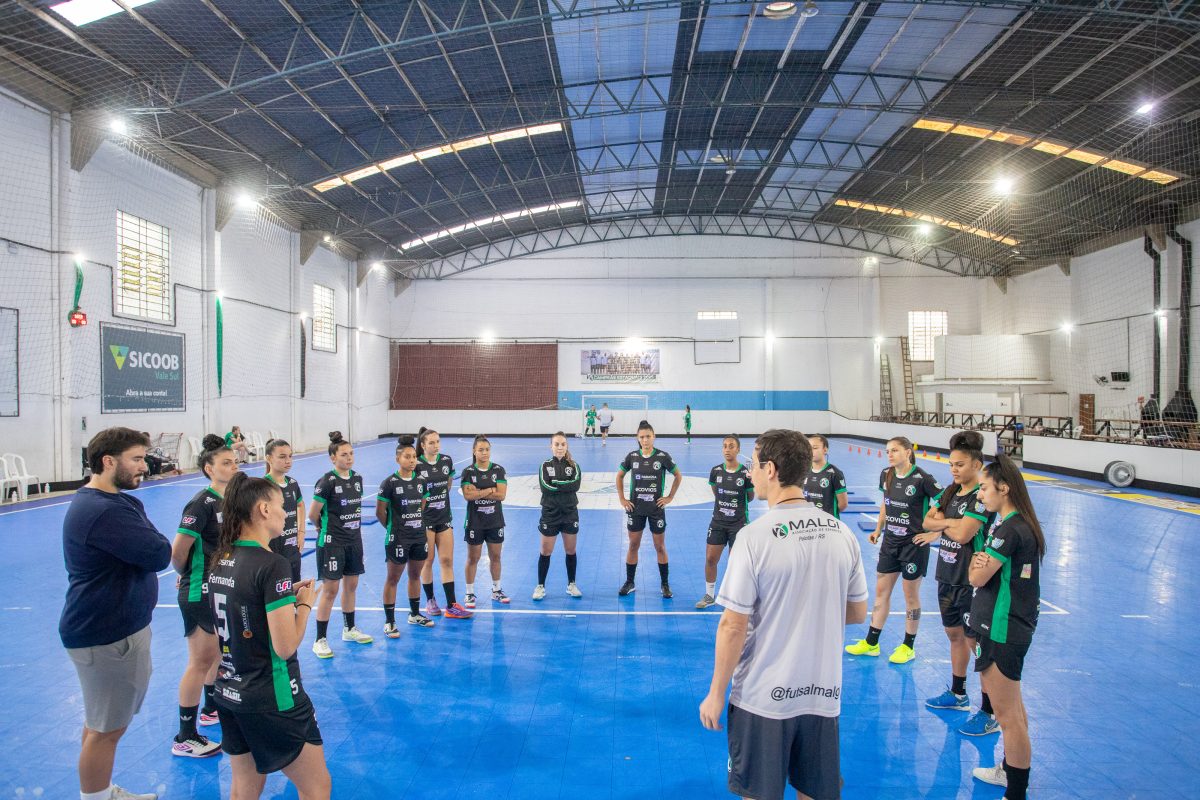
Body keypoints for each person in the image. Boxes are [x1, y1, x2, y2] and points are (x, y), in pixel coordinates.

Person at [699, 429, 868, 800]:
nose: (750, 474)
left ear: (771, 469)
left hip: (763, 698)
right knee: (813, 791)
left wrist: (715, 693)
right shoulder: (843, 534)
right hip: (823, 694)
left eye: (755, 466)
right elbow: (857, 612)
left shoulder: (754, 537)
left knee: (758, 793)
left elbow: (732, 625)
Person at [61, 428, 172, 800]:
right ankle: (94, 797)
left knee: (102, 725)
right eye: (137, 459)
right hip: (107, 637)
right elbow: (159, 553)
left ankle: (100, 790)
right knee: (106, 730)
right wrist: (155, 544)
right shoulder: (102, 511)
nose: (145, 466)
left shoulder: (119, 502)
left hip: (117, 631)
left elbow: (154, 545)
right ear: (109, 461)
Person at [207, 472, 331, 799]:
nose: (285, 512)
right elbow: (285, 644)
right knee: (317, 787)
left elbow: (242, 605)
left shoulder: (222, 558)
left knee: (244, 789)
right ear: (263, 510)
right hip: (272, 696)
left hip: (229, 690)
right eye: (280, 505)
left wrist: (281, 596)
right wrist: (303, 605)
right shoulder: (272, 564)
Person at [968, 456, 1045, 800]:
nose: (980, 494)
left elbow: (977, 575)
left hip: (1002, 629)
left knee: (1008, 716)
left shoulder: (1011, 530)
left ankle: (1015, 792)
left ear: (1004, 488)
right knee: (1014, 711)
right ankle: (1009, 773)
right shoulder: (1013, 525)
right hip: (1002, 626)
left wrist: (976, 563)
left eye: (984, 488)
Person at [912, 432, 998, 735]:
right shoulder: (950, 492)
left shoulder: (982, 496)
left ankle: (989, 711)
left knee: (977, 645)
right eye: (951, 464)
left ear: (977, 464)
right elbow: (926, 521)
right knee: (954, 635)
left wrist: (944, 524)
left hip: (971, 580)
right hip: (946, 575)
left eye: (960, 465)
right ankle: (959, 694)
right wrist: (950, 522)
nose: (954, 470)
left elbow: (964, 536)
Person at [845, 436, 942, 664]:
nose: (890, 454)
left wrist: (934, 534)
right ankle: (871, 643)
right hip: (890, 544)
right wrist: (878, 529)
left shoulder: (923, 478)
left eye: (895, 450)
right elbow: (885, 502)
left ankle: (908, 646)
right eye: (888, 450)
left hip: (913, 546)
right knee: (881, 593)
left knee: (910, 596)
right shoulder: (886, 474)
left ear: (908, 452)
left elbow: (943, 502)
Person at [170, 434, 235, 758]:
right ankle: (184, 735)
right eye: (226, 462)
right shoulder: (201, 503)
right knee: (199, 662)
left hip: (220, 588)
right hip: (199, 591)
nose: (233, 466)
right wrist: (187, 578)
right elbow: (178, 551)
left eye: (235, 461)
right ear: (209, 468)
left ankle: (211, 709)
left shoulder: (230, 501)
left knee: (217, 655)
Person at [309, 432, 373, 658]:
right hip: (332, 542)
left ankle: (349, 629)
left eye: (351, 454)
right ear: (332, 458)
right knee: (330, 590)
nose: (349, 458)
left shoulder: (357, 479)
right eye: (344, 454)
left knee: (352, 586)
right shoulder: (326, 482)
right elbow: (313, 514)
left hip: (353, 541)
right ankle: (320, 639)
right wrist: (323, 529)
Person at [616, 420, 682, 597]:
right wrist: (622, 499)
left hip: (655, 509)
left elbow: (677, 475)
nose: (645, 440)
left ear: (654, 437)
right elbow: (620, 475)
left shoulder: (662, 457)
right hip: (635, 509)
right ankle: (630, 582)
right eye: (642, 437)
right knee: (633, 545)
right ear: (638, 438)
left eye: (648, 437)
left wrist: (669, 497)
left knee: (659, 547)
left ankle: (665, 585)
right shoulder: (632, 456)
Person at [377, 436, 435, 636]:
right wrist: (394, 528)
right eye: (407, 457)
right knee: (393, 578)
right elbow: (380, 512)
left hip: (419, 536)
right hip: (398, 538)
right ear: (397, 459)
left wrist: (413, 523)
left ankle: (415, 614)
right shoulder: (389, 483)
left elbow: (422, 505)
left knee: (415, 575)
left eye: (414, 457)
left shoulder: (421, 482)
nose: (412, 460)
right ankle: (390, 621)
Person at [415, 428, 471, 619]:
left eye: (438, 441)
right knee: (428, 561)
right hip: (425, 521)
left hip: (443, 518)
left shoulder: (446, 461)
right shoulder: (416, 465)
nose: (436, 445)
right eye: (431, 442)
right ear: (423, 445)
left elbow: (447, 483)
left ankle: (451, 605)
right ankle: (430, 600)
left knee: (447, 561)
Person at [696, 435, 754, 609]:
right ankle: (709, 595)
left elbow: (750, 497)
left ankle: (733, 597)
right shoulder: (716, 471)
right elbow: (716, 492)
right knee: (710, 558)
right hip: (718, 522)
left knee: (735, 562)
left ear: (738, 450)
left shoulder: (745, 473)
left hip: (739, 524)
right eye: (725, 446)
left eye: (731, 446)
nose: (727, 449)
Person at [533, 432, 584, 600]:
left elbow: (575, 485)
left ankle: (572, 584)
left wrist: (557, 483)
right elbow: (545, 488)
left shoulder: (574, 465)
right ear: (551, 446)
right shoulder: (545, 465)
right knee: (546, 551)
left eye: (563, 444)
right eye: (557, 444)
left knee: (570, 550)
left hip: (569, 513)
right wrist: (565, 486)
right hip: (550, 514)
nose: (560, 447)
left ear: (567, 446)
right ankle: (540, 586)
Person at [460, 435, 509, 606]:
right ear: (474, 451)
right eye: (480, 450)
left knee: (496, 556)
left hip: (495, 521)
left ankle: (497, 590)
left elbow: (501, 495)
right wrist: (490, 489)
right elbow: (468, 495)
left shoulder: (498, 470)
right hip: (475, 522)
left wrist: (478, 491)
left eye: (487, 449)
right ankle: (470, 593)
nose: (484, 453)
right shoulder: (468, 472)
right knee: (473, 558)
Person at [264, 439, 305, 584]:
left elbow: (300, 505)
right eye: (282, 457)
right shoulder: (264, 486)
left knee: (294, 591)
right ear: (269, 458)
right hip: (274, 551)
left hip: (293, 549)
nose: (288, 460)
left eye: (290, 456)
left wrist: (301, 532)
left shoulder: (293, 483)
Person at [802, 435, 848, 518]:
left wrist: (829, 514)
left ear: (825, 450)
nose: (811, 451)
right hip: (808, 522)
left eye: (815, 448)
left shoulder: (835, 473)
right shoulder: (803, 471)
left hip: (828, 525)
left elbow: (843, 504)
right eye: (808, 448)